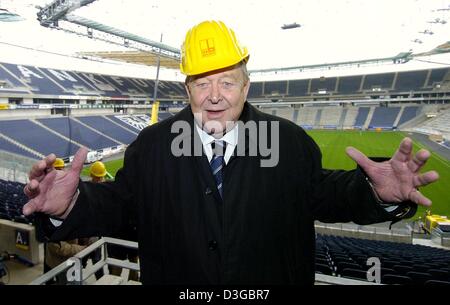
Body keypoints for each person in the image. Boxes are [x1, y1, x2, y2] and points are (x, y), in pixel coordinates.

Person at [23, 20, 439, 285]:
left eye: (228, 81)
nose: (216, 96)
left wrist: (374, 191)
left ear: (246, 85)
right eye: (203, 83)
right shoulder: (151, 147)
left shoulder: (290, 142)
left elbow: (324, 194)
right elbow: (119, 205)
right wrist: (70, 204)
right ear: (187, 90)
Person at [89, 161, 139, 282]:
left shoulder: (109, 193)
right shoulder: (135, 195)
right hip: (127, 239)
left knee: (117, 273)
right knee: (130, 270)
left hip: (117, 241)